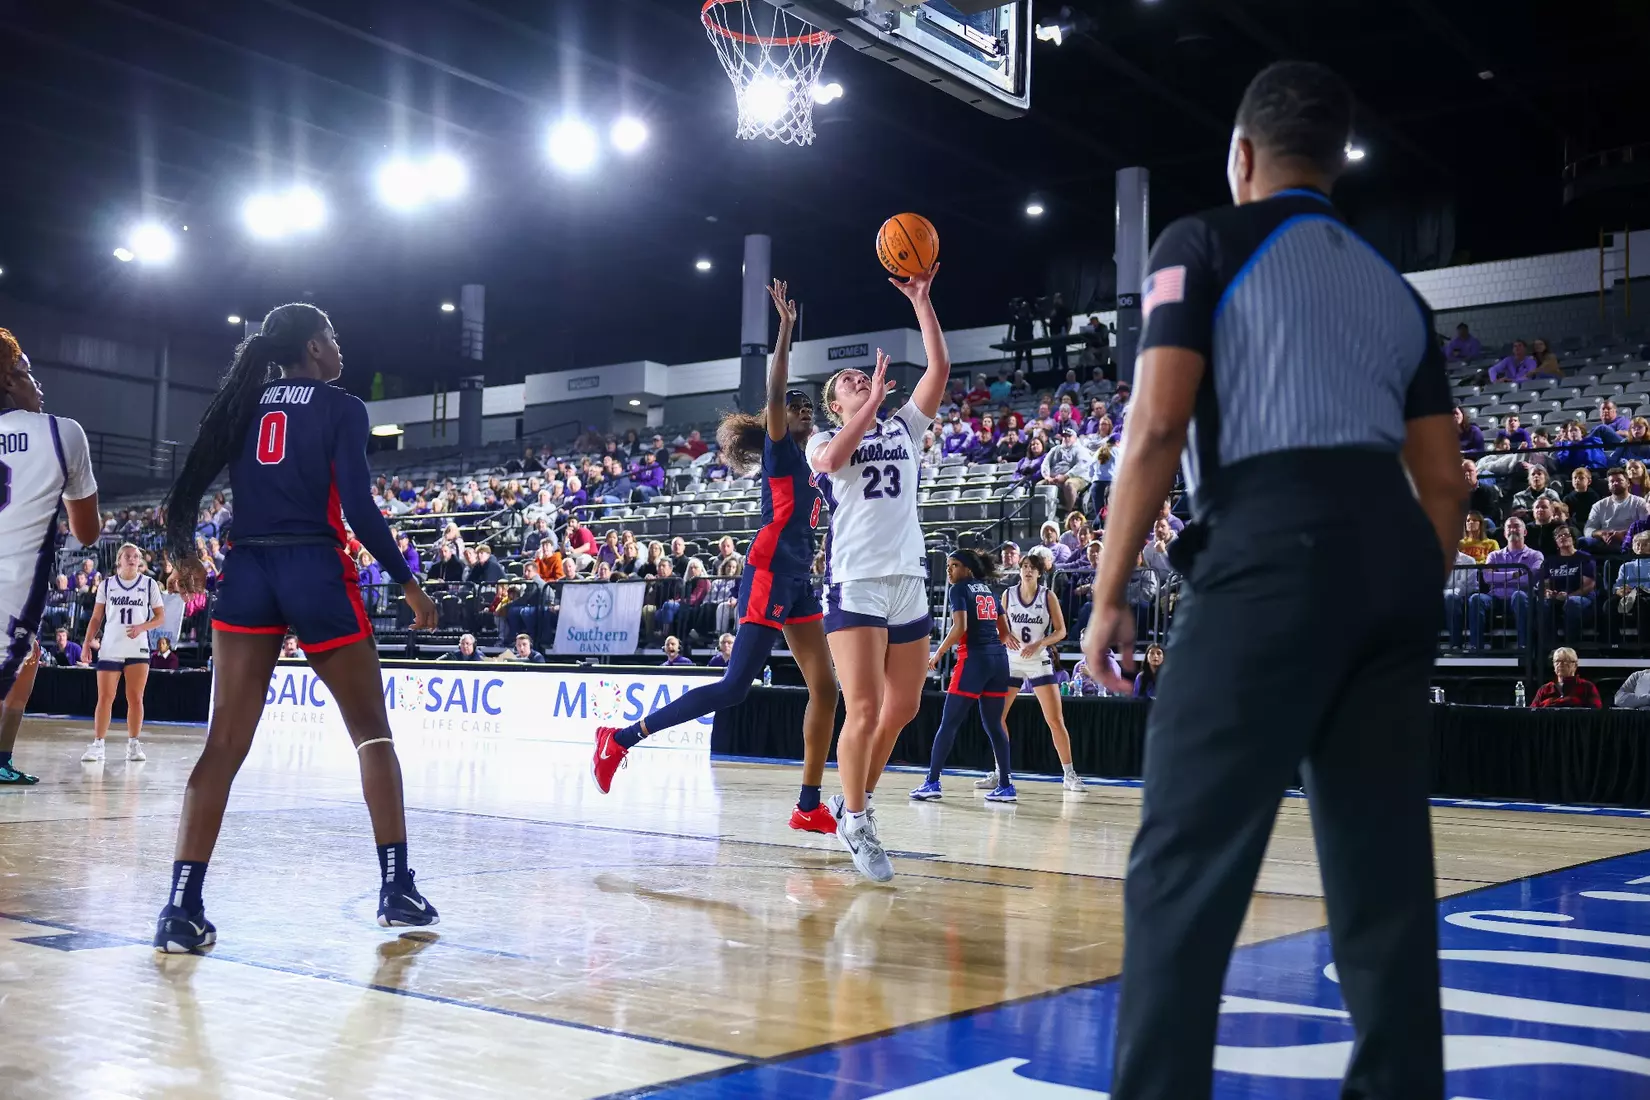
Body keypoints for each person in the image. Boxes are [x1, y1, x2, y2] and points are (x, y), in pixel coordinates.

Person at [1081, 63, 1459, 1099]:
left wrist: (1109, 590)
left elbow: (1158, 421)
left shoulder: (1200, 243)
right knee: (1383, 875)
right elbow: (1444, 483)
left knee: (1185, 867)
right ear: (1335, 164)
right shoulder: (1399, 291)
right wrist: (1404, 593)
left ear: (1242, 157)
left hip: (1265, 549)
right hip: (1392, 558)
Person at [152, 303, 440, 954]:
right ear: (314, 347)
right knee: (372, 735)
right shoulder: (342, 408)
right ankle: (397, 889)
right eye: (333, 339)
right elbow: (362, 510)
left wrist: (183, 552)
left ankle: (180, 908)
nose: (340, 350)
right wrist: (407, 580)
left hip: (248, 570)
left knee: (222, 746)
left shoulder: (241, 406)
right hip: (314, 566)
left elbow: (184, 492)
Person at [592, 281, 839, 835]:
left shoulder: (809, 464)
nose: (804, 413)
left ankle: (807, 803)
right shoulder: (779, 446)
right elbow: (774, 393)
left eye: (805, 408)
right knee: (734, 688)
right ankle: (621, 738)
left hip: (799, 580)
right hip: (770, 571)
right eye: (799, 407)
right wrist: (784, 333)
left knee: (826, 688)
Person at [807, 262, 951, 883]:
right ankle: (859, 819)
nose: (856, 379)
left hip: (908, 579)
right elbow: (838, 456)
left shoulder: (903, 426)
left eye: (860, 375)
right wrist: (867, 408)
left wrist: (922, 301)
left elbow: (940, 370)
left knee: (905, 707)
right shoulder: (821, 438)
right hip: (857, 579)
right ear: (835, 404)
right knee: (862, 708)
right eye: (846, 382)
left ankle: (849, 802)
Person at [0, 329, 101, 784]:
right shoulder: (63, 432)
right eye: (27, 374)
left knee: (31, 657)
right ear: (7, 382)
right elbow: (87, 530)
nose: (38, 384)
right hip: (12, 587)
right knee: (19, 659)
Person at [908, 549, 1015, 802]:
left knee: (949, 724)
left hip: (974, 661)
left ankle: (932, 782)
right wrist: (990, 649)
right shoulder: (990, 590)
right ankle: (1007, 786)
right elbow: (1005, 632)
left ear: (967, 569)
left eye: (954, 565)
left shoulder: (959, 589)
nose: (949, 570)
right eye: (948, 566)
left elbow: (960, 627)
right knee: (994, 726)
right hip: (999, 662)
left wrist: (938, 654)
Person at [985, 554, 1085, 792]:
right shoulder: (1008, 595)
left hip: (1038, 659)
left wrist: (1039, 644)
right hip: (1012, 660)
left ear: (1040, 573)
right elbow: (999, 625)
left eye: (1033, 568)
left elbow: (1061, 631)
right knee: (997, 717)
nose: (1028, 570)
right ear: (1020, 570)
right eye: (1025, 567)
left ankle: (1069, 774)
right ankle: (1001, 772)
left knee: (1055, 719)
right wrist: (1005, 635)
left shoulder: (1047, 595)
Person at [76, 543, 165, 763]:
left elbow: (160, 617)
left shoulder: (149, 584)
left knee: (135, 698)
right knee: (105, 698)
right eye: (128, 556)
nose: (133, 559)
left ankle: (134, 744)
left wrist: (141, 627)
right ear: (119, 560)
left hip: (138, 647)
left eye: (136, 556)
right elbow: (97, 618)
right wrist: (87, 643)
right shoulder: (107, 585)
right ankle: (98, 744)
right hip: (111, 647)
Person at [1468, 516, 1542, 652]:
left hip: (1522, 598)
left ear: (1525, 532)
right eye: (1509, 527)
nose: (1513, 529)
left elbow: (1530, 579)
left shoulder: (1535, 555)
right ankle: (1475, 646)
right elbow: (1487, 577)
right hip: (1495, 598)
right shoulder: (1494, 556)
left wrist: (1500, 578)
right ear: (1504, 533)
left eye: (1516, 526)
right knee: (1476, 598)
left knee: (1518, 595)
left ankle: (1523, 646)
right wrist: (1514, 574)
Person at [1539, 524, 1595, 650]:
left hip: (1581, 598)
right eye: (1559, 536)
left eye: (1566, 534)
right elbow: (1545, 583)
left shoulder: (1584, 557)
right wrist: (1548, 593)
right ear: (1556, 541)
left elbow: (1589, 585)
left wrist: (1569, 596)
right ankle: (1551, 647)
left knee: (1571, 603)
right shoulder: (1550, 561)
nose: (1562, 537)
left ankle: (1571, 647)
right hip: (1558, 598)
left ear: (1573, 538)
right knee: (1544, 604)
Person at [1531, 647, 1601, 708]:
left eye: (1565, 661)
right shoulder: (1545, 689)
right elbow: (1531, 713)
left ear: (1575, 665)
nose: (1560, 665)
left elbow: (1596, 715)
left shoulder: (1587, 687)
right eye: (1557, 661)